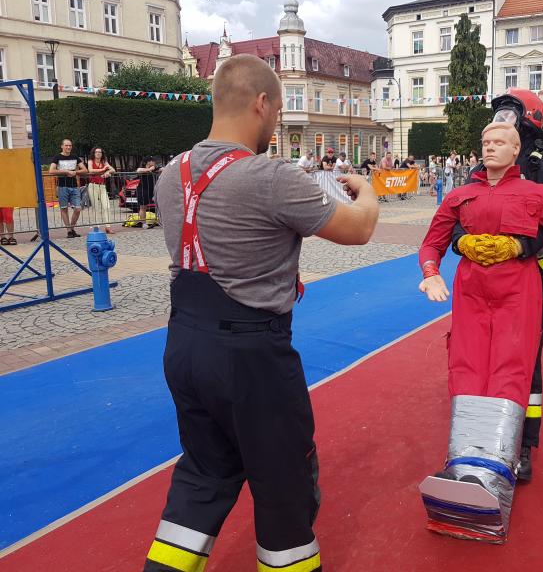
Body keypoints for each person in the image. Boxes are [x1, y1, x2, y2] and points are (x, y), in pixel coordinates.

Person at [143, 54, 378, 572]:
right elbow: (358, 230)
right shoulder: (269, 176)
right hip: (250, 356)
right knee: (283, 486)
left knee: (203, 474)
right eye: (275, 111)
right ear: (262, 104)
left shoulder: (168, 175)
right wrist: (370, 193)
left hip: (183, 344)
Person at [418, 122, 543, 538]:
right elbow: (431, 243)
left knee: (510, 373)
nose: (490, 147)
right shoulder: (461, 196)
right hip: (471, 295)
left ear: (517, 151)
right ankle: (461, 464)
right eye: (486, 142)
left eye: (500, 142)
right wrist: (430, 273)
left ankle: (496, 471)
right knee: (467, 369)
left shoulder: (539, 195)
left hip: (519, 294)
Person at [451, 87, 543, 482]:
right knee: (476, 358)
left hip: (528, 276)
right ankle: (480, 440)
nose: (500, 121)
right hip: (480, 283)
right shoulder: (477, 174)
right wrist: (461, 243)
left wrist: (515, 246)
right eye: (498, 115)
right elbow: (457, 219)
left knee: (526, 365)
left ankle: (524, 445)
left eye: (508, 115)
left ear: (528, 123)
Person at [50, 138, 87, 238]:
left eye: (70, 145)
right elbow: (51, 171)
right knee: (64, 208)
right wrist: (66, 172)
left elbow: (84, 169)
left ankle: (72, 228)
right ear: (62, 146)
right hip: (62, 186)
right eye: (66, 145)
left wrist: (75, 172)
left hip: (74, 186)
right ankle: (69, 231)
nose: (68, 147)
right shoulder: (57, 157)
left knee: (78, 209)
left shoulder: (74, 157)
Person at [87, 146, 116, 234]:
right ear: (94, 153)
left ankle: (108, 226)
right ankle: (96, 227)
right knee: (96, 207)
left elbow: (113, 170)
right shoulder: (90, 161)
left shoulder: (104, 162)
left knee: (106, 206)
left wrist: (108, 172)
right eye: (96, 152)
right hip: (93, 186)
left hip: (102, 186)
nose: (98, 153)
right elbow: (90, 170)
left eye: (100, 152)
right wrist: (103, 169)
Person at [135, 156, 161, 229]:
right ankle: (143, 223)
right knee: (143, 207)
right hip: (143, 189)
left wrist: (156, 169)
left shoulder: (156, 168)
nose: (154, 162)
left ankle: (159, 220)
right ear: (147, 162)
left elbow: (163, 169)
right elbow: (138, 170)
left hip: (154, 189)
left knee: (159, 206)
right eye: (152, 161)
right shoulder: (142, 168)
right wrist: (149, 169)